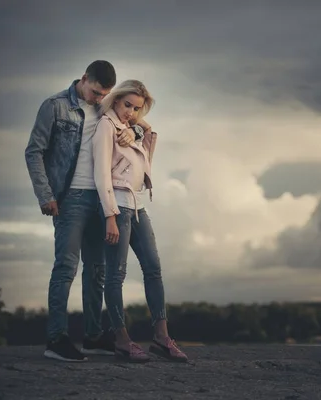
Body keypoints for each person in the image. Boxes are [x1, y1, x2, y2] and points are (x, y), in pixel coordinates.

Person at [24, 60, 139, 362]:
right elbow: (34, 151)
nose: (99, 99)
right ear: (84, 78)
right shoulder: (55, 106)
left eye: (105, 94)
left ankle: (92, 336)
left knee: (97, 269)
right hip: (70, 198)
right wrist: (45, 194)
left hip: (102, 198)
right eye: (96, 92)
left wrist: (134, 133)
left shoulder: (106, 109)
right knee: (65, 267)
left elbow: (132, 121)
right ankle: (56, 339)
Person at [93, 80, 188, 363]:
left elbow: (147, 160)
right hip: (117, 209)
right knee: (116, 275)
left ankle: (162, 337)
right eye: (127, 105)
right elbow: (101, 174)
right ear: (116, 100)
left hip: (138, 208)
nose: (130, 112)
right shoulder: (106, 127)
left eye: (137, 108)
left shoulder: (130, 130)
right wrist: (110, 215)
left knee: (153, 269)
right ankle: (121, 339)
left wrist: (139, 126)